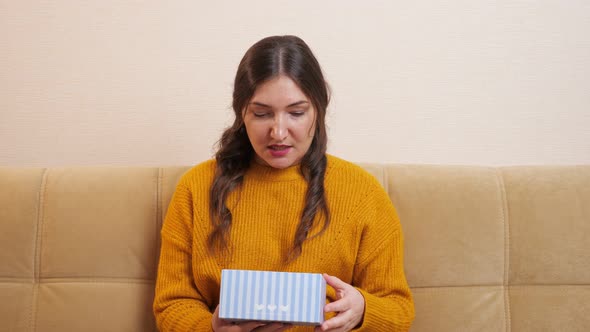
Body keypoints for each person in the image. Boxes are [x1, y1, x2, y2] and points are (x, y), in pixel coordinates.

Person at [153, 35, 415, 332]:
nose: (278, 132)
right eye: (262, 113)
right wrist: (211, 327)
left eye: (296, 113)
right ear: (242, 113)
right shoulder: (196, 188)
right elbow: (171, 304)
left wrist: (363, 310)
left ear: (318, 110)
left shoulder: (362, 193)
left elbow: (399, 311)